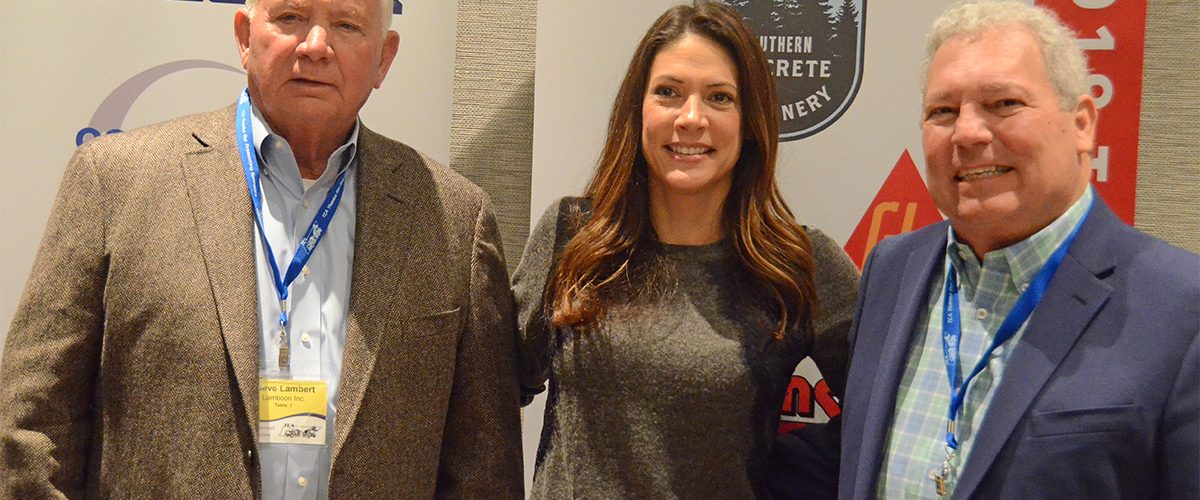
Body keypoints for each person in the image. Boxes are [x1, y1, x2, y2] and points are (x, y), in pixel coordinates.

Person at [0, 0, 522, 497]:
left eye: (346, 25)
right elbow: (34, 424)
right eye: (291, 16)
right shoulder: (116, 180)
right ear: (245, 38)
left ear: (384, 58)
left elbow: (484, 469)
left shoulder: (455, 218)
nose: (316, 45)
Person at [837, 1, 1199, 498]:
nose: (967, 132)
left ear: (1082, 124)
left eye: (1004, 103)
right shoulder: (891, 268)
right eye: (943, 111)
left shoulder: (1184, 308)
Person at [512, 2, 859, 497]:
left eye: (719, 97)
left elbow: (888, 416)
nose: (691, 118)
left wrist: (785, 475)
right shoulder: (572, 235)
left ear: (750, 120)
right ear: (638, 109)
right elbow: (488, 397)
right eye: (668, 93)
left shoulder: (798, 263)